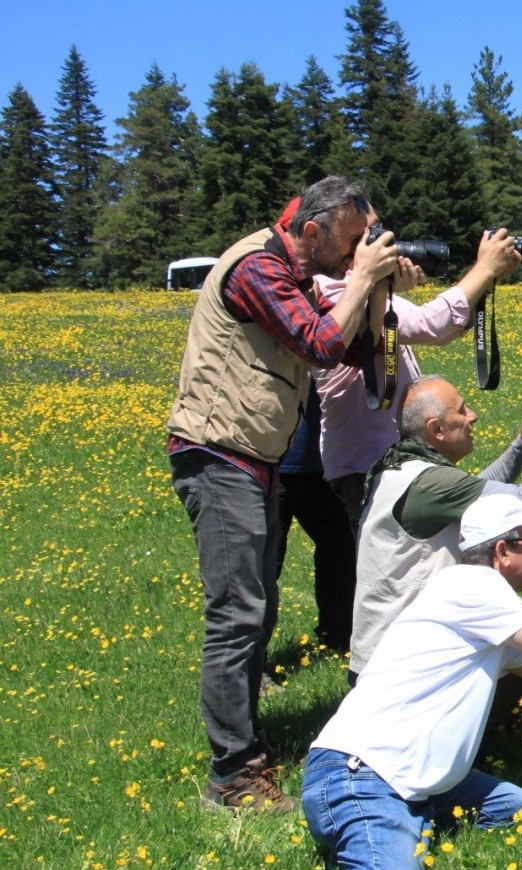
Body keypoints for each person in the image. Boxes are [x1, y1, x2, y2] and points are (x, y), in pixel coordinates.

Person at [193, 493, 522, 870]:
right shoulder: (472, 584)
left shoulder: (487, 607)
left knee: (518, 806)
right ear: (503, 550)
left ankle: (409, 824)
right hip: (362, 776)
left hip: (404, 780)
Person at [166, 175, 401, 812]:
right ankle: (234, 776)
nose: (357, 253)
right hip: (219, 455)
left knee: (255, 609)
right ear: (312, 231)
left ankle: (243, 746)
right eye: (353, 241)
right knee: (239, 613)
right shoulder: (255, 268)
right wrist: (359, 283)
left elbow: (354, 350)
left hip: (255, 459)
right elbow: (321, 345)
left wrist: (375, 287)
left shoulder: (295, 277)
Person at [348, 374, 522, 682]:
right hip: (406, 667)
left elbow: (476, 490)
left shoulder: (401, 470)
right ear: (436, 429)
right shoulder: (429, 482)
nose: (474, 416)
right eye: (462, 409)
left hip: (378, 654)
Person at [312, 225, 522, 531]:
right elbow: (429, 325)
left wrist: (488, 279)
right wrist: (483, 268)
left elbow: (443, 330)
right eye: (370, 236)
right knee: (389, 565)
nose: (387, 245)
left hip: (392, 457)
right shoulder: (330, 288)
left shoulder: (373, 289)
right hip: (366, 462)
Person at [275, 382, 357, 652]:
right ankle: (253, 664)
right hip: (274, 459)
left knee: (341, 544)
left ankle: (338, 638)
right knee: (264, 561)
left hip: (323, 457)